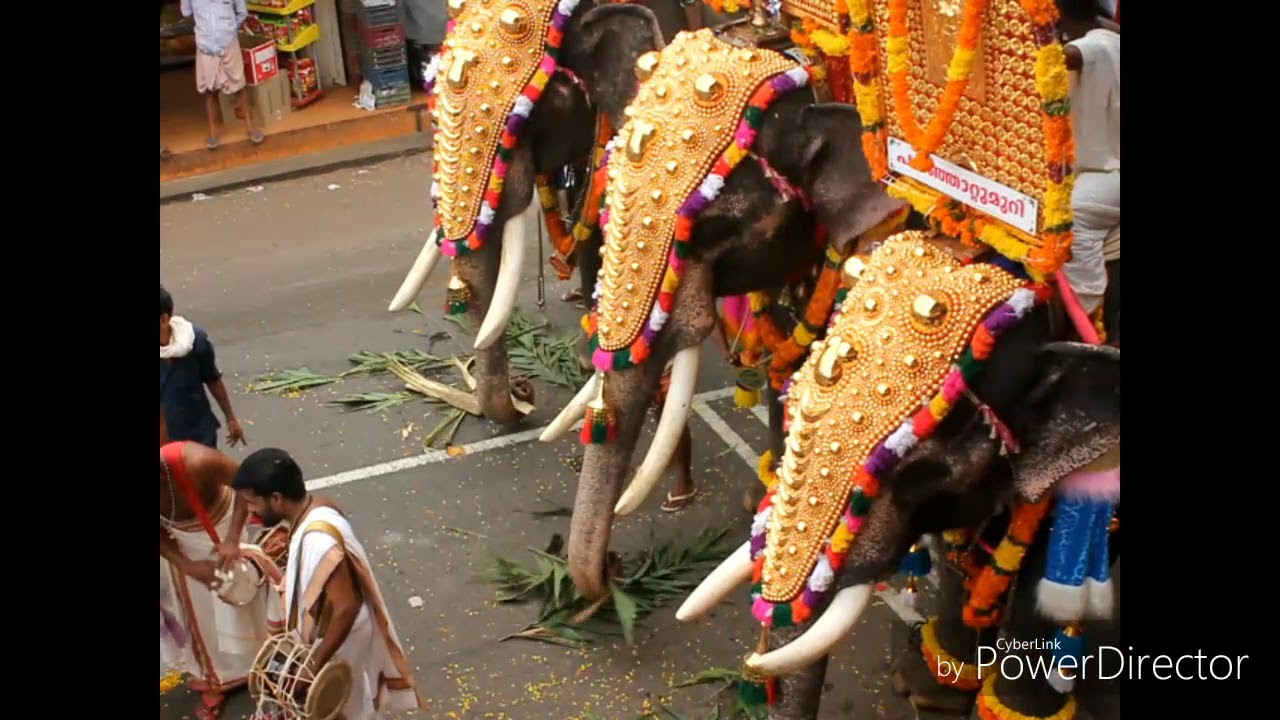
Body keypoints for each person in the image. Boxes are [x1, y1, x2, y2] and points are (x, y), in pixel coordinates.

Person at [232, 448, 425, 720]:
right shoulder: (318, 505)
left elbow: (346, 606)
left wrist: (311, 665)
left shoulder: (319, 540)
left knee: (342, 706)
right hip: (334, 630)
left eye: (252, 503)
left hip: (343, 637)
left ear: (276, 498)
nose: (249, 512)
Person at [161, 440, 284, 720]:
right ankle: (218, 676)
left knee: (240, 600)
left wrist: (231, 540)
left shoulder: (198, 461)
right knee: (199, 614)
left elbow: (247, 487)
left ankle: (264, 663)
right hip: (181, 542)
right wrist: (188, 566)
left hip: (222, 529)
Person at [1055, 0, 1119, 321]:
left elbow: (1072, 58)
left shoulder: (1100, 43)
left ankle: (1085, 308)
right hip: (1083, 162)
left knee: (1071, 213)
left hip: (1111, 170)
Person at [161, 284, 246, 448]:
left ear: (164, 319)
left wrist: (230, 418)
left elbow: (212, 379)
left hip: (199, 434)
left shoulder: (195, 342)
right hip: (165, 445)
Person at [181, 0, 264, 150]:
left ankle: (251, 127)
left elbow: (241, 12)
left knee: (239, 86)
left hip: (229, 43)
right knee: (210, 90)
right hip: (206, 46)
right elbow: (186, 13)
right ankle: (213, 133)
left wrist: (229, 29)